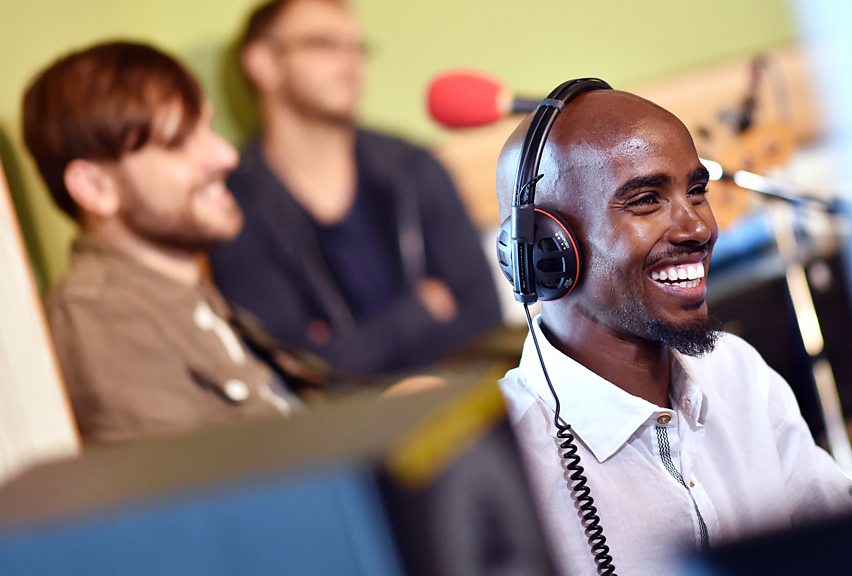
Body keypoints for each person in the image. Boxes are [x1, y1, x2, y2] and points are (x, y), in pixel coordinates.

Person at [495, 82, 852, 575]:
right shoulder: (507, 461)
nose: (698, 227)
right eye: (646, 200)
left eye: (696, 192)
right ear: (546, 251)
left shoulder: (735, 370)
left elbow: (851, 542)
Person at [22, 41, 302, 443]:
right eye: (177, 142)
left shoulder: (181, 294)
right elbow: (195, 483)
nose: (226, 155)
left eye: (207, 128)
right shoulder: (103, 315)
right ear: (95, 187)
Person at [208, 0, 503, 377]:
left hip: (459, 398)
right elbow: (298, 368)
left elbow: (483, 319)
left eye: (357, 48)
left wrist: (351, 345)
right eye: (324, 44)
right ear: (263, 63)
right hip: (345, 417)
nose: (351, 63)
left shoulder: (412, 167)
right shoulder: (237, 205)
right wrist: (420, 311)